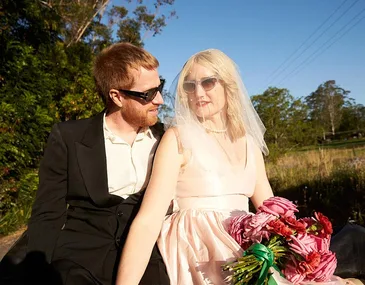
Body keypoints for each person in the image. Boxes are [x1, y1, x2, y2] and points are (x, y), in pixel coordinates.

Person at [116, 49, 275, 285]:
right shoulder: (178, 138)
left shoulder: (249, 144)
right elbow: (148, 220)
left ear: (228, 85)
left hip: (245, 247)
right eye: (190, 86)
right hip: (198, 253)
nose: (198, 92)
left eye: (208, 82)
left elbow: (272, 212)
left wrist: (302, 247)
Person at [24, 42, 170, 285]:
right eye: (148, 94)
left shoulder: (166, 139)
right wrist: (35, 272)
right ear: (117, 96)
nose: (161, 100)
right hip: (78, 263)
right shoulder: (69, 137)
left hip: (147, 262)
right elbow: (48, 212)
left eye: (159, 87)